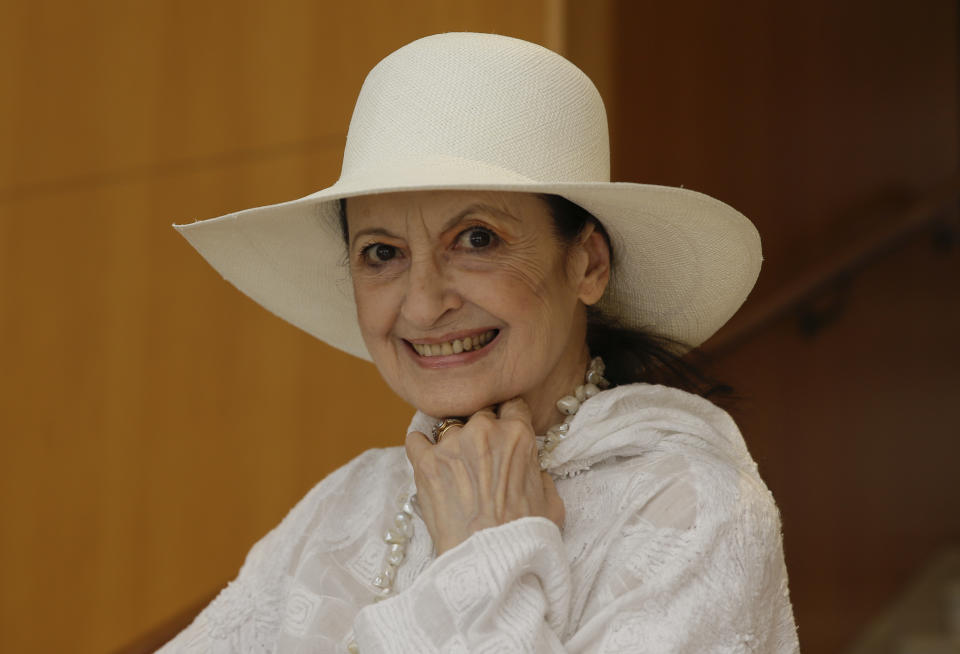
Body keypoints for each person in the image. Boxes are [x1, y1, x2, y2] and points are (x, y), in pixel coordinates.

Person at [161, 33, 800, 653]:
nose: (422, 302)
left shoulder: (689, 509)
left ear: (587, 265)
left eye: (477, 240)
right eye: (381, 253)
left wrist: (484, 551)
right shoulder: (349, 502)